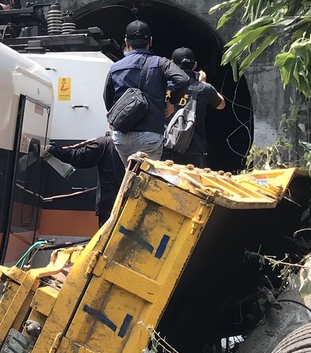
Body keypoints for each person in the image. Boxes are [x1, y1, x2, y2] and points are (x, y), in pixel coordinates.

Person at [103, 20, 190, 165]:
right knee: (146, 179)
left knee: (130, 175)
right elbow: (183, 80)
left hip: (122, 135)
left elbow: (107, 97)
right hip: (150, 134)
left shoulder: (115, 67)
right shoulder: (161, 63)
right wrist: (171, 103)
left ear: (126, 42)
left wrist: (113, 118)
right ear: (150, 41)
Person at [162, 47, 227, 167]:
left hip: (165, 144)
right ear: (195, 65)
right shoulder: (203, 88)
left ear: (171, 64)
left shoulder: (162, 85)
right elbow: (221, 105)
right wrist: (203, 83)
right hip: (193, 147)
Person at [45, 133, 125, 226]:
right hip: (136, 202)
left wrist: (52, 150)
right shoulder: (143, 144)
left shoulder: (106, 143)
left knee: (109, 237)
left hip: (110, 204)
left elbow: (78, 157)